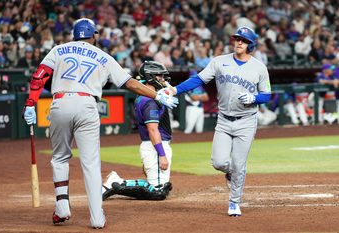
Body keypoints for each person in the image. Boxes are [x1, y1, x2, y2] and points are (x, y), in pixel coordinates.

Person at [21, 18, 178, 229]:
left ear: (74, 35)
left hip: (59, 103)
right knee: (91, 164)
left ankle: (62, 207)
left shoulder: (58, 50)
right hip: (87, 104)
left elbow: (39, 77)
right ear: (93, 35)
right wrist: (157, 95)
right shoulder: (104, 56)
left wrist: (31, 104)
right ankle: (97, 218)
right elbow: (130, 83)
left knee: (59, 158)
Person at [166, 26, 271, 217]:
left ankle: (234, 202)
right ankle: (231, 172)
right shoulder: (219, 61)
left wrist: (254, 98)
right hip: (224, 120)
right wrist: (174, 90)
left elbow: (267, 95)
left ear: (251, 44)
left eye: (244, 40)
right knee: (219, 162)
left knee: (240, 164)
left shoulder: (259, 67)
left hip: (246, 121)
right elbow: (198, 80)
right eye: (237, 39)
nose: (239, 42)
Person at [102, 61, 173, 201]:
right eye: (159, 76)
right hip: (155, 146)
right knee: (158, 192)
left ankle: (115, 182)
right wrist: (162, 155)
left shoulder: (149, 97)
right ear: (150, 77)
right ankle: (116, 184)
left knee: (160, 185)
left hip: (152, 146)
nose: (163, 79)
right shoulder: (150, 101)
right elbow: (153, 130)